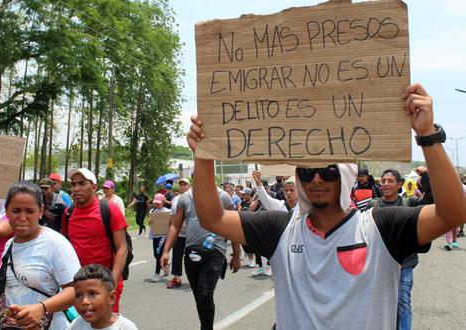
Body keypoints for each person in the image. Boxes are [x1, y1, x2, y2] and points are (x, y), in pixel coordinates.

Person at [185, 83, 466, 329]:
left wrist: (427, 134)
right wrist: (204, 154)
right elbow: (213, 217)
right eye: (307, 172)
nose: (316, 179)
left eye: (328, 170)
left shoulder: (383, 227)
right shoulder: (280, 229)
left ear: (345, 174)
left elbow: (453, 214)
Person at [0, 181, 80, 329]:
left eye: (30, 211)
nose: (22, 218)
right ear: (6, 211)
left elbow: (76, 289)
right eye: (16, 211)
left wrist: (42, 308)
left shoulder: (56, 243)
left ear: (41, 211)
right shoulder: (9, 245)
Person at [160, 182, 240, 330]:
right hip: (191, 251)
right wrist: (165, 251)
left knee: (204, 294)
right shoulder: (185, 198)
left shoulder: (223, 197)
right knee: (199, 296)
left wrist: (236, 255)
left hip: (215, 251)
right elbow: (174, 225)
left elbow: (234, 225)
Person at [64, 168, 129, 313]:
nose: (76, 189)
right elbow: (64, 249)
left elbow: (122, 248)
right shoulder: (68, 213)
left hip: (105, 281)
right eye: (73, 184)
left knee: (106, 325)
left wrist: (111, 282)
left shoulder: (109, 209)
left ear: (94, 187)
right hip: (79, 284)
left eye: (81, 184)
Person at [366, 169, 420, 330]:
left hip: (404, 265)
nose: (386, 184)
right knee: (377, 302)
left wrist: (427, 176)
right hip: (378, 265)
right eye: (383, 181)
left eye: (390, 181)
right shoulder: (372, 205)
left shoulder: (409, 204)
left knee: (402, 302)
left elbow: (435, 203)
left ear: (399, 184)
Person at [68, 264, 137, 330]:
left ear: (111, 298)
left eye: (92, 294)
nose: (84, 301)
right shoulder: (77, 325)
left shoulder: (125, 327)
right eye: (78, 296)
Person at [166, 178, 191, 289]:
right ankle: (177, 278)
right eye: (180, 184)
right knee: (177, 255)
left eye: (185, 184)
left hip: (192, 234)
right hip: (179, 233)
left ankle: (194, 278)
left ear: (189, 186)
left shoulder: (194, 198)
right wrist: (169, 231)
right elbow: (172, 217)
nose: (182, 186)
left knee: (191, 257)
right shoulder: (175, 199)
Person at [148, 194, 170, 282]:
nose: (157, 204)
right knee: (156, 254)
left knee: (158, 254)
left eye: (159, 203)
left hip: (163, 236)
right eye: (156, 203)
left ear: (163, 202)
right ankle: (166, 263)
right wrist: (150, 222)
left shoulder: (168, 211)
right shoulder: (152, 211)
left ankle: (157, 273)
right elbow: (150, 223)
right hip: (155, 235)